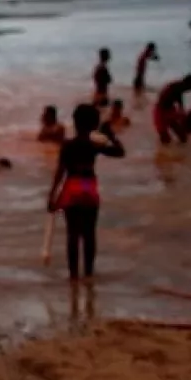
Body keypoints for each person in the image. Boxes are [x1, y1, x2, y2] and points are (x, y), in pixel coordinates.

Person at [47, 104, 125, 280]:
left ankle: (73, 275)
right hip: (89, 188)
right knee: (89, 234)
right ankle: (89, 273)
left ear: (74, 122)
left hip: (72, 187)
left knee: (72, 234)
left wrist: (52, 195)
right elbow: (120, 152)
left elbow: (60, 172)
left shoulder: (68, 145)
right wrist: (110, 134)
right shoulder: (94, 145)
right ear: (94, 125)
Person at [154, 74, 191, 145]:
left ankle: (178, 153)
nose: (189, 90)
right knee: (165, 138)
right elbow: (173, 97)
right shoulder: (176, 87)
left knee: (183, 137)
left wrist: (181, 110)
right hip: (160, 111)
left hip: (170, 110)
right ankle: (164, 153)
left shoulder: (179, 87)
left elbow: (179, 97)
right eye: (190, 88)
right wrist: (179, 114)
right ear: (187, 83)